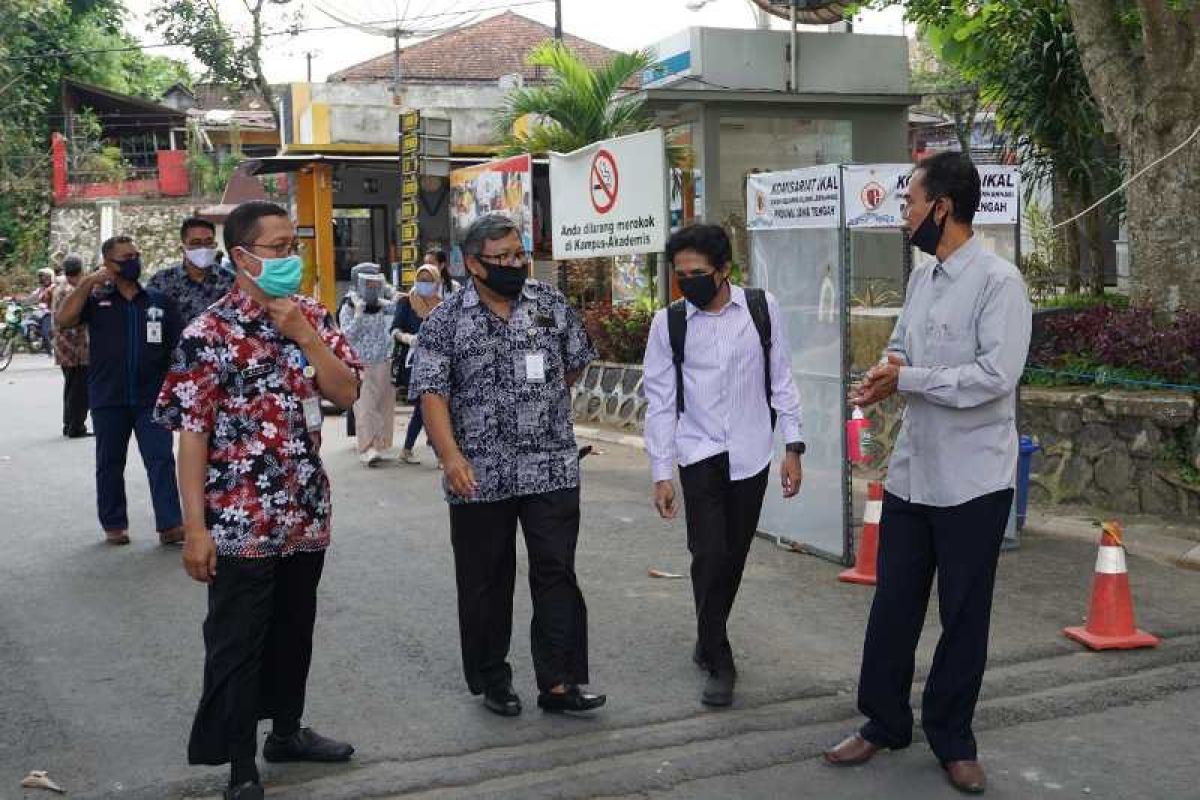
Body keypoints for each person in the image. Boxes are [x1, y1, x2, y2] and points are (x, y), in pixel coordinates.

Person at [823, 152, 1032, 796]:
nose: (904, 214)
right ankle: (883, 721)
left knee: (963, 615)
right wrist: (886, 376)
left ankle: (953, 739)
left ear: (941, 207)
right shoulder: (924, 278)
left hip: (974, 481)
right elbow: (905, 347)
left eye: (910, 203)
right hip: (913, 473)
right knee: (892, 606)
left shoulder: (1000, 282)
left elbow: (997, 378)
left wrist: (908, 378)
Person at [155, 200, 362, 800]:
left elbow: (345, 393)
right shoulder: (208, 334)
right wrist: (195, 528)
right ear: (241, 256)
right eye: (276, 248)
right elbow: (190, 438)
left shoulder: (315, 316)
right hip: (239, 516)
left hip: (303, 509)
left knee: (294, 629)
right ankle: (240, 762)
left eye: (292, 246)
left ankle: (287, 731)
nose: (288, 258)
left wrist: (304, 334)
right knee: (238, 638)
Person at [410, 213, 605, 718]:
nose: (516, 265)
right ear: (473, 264)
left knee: (557, 572)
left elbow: (575, 362)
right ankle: (492, 679)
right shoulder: (445, 320)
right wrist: (450, 456)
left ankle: (560, 682)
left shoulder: (550, 304)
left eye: (520, 255)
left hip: (551, 468)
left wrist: (542, 408)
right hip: (478, 474)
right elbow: (432, 393)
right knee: (484, 580)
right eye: (504, 258)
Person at [641, 223, 805, 707]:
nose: (687, 281)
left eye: (697, 273)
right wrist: (661, 472)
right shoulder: (668, 323)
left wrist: (792, 447)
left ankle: (706, 634)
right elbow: (661, 401)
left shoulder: (760, 309)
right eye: (680, 274)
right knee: (708, 553)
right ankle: (719, 656)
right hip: (699, 452)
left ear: (724, 270)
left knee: (732, 556)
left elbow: (783, 381)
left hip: (752, 451)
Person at [54, 236, 184, 546]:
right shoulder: (97, 300)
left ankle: (170, 524)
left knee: (161, 459)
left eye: (136, 255)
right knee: (110, 462)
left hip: (151, 398)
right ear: (108, 264)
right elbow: (63, 320)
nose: (133, 262)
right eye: (125, 257)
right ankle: (114, 524)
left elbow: (178, 346)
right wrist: (87, 283)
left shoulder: (158, 301)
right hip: (108, 396)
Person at [338, 262, 397, 466]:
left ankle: (380, 443)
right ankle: (367, 447)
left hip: (383, 360)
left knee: (383, 405)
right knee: (364, 406)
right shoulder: (349, 305)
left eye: (375, 284)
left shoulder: (383, 304)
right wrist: (358, 314)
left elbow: (394, 323)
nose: (372, 288)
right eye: (368, 284)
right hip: (359, 363)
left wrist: (391, 297)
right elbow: (345, 335)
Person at [391, 263, 442, 465]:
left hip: (438, 361)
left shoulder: (441, 305)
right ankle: (441, 455)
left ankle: (407, 449)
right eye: (421, 280)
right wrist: (408, 338)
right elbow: (394, 330)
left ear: (437, 283)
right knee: (427, 405)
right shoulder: (406, 302)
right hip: (414, 363)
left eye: (429, 281)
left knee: (425, 407)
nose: (424, 285)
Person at [148, 216, 235, 325]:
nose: (203, 248)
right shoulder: (161, 282)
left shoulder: (230, 281)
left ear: (215, 245)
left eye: (208, 242)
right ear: (183, 249)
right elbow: (151, 323)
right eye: (196, 243)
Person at [52, 255, 92, 438]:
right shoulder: (72, 291)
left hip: (64, 346)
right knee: (79, 389)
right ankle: (76, 426)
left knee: (71, 387)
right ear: (80, 270)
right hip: (75, 347)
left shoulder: (61, 287)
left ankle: (69, 424)